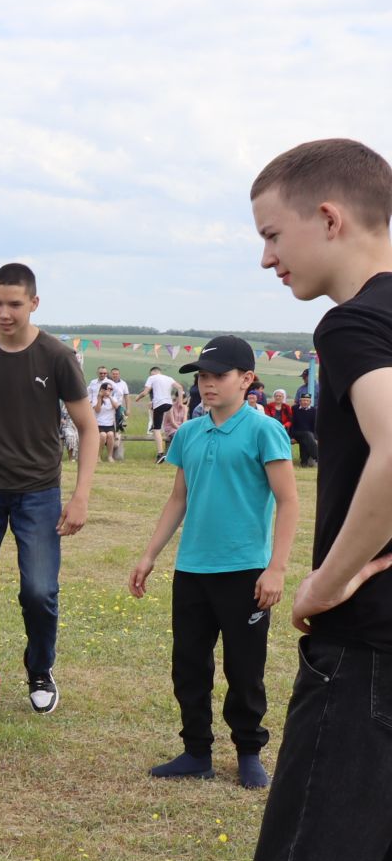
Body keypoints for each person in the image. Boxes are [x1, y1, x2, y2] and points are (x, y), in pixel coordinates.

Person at [154, 138, 392, 861]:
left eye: (271, 233)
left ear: (331, 218)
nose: (264, 259)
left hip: (368, 660)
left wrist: (325, 580)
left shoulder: (354, 322)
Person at [128, 335, 296, 793]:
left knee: (244, 668)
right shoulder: (189, 432)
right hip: (193, 570)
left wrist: (276, 568)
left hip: (245, 572)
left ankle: (248, 751)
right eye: (202, 376)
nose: (208, 384)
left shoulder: (264, 431)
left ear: (246, 380)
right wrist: (149, 555)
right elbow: (178, 498)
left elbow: (288, 501)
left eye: (219, 375)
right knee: (188, 664)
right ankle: (196, 751)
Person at [0, 262, 99, 717]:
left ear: (34, 302)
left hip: (39, 492)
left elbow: (88, 429)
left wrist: (81, 496)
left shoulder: (56, 356)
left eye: (14, 304)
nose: (4, 313)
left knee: (39, 593)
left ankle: (40, 670)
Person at [146, 362, 178, 458]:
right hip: (164, 404)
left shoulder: (155, 380)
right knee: (158, 426)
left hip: (161, 404)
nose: (153, 377)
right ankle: (160, 453)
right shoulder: (162, 381)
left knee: (159, 427)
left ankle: (160, 453)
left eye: (153, 375)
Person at [290, 377, 319, 466]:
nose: (305, 402)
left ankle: (304, 462)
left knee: (305, 438)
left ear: (310, 401)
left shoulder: (314, 410)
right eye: (303, 400)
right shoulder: (294, 409)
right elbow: (292, 423)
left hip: (309, 434)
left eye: (307, 400)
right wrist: (291, 435)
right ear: (300, 401)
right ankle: (317, 457)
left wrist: (316, 436)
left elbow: (315, 425)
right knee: (306, 435)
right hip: (296, 432)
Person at [94, 382, 119, 460]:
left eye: (111, 389)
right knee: (103, 435)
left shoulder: (113, 398)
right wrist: (99, 397)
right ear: (103, 389)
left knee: (111, 435)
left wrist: (110, 397)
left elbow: (116, 407)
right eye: (108, 389)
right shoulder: (97, 398)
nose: (109, 390)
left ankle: (110, 456)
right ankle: (98, 456)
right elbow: (97, 410)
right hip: (99, 424)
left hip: (110, 425)